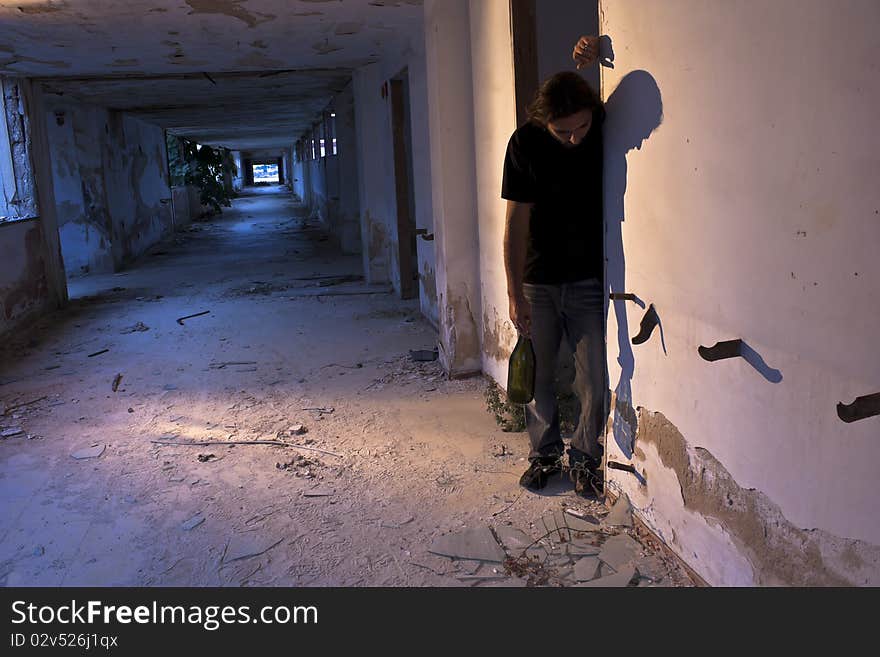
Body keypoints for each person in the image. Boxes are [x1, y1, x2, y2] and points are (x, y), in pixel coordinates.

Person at [501, 36, 605, 496]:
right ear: (545, 123)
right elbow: (515, 223)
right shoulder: (525, 143)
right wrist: (512, 291)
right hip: (538, 282)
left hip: (586, 280)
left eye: (580, 128)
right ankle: (544, 454)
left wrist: (598, 45)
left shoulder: (600, 126)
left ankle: (584, 458)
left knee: (594, 378)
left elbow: (617, 78)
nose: (573, 139)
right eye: (562, 132)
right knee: (541, 375)